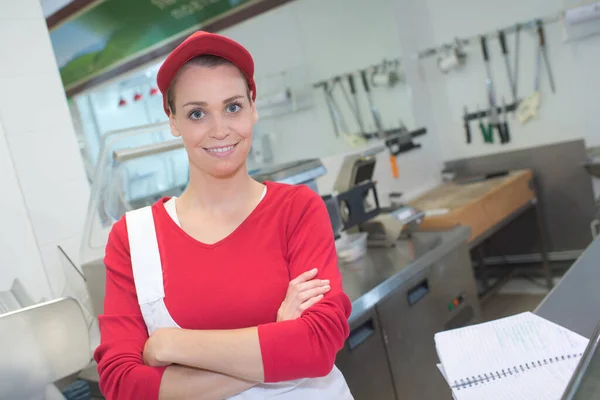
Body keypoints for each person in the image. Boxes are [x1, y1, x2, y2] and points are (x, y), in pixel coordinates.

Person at [94, 31, 354, 400]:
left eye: (232, 107)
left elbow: (319, 345)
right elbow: (122, 385)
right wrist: (278, 348)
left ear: (253, 107)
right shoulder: (134, 238)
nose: (220, 130)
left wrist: (171, 345)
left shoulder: (297, 209)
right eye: (197, 113)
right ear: (172, 121)